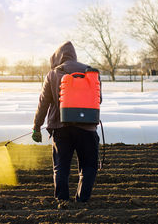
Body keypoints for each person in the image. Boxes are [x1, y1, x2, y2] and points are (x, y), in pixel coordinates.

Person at [32, 41, 100, 208]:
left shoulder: (53, 74)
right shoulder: (90, 72)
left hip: (61, 129)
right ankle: (82, 200)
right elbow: (98, 99)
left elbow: (43, 103)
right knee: (88, 166)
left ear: (57, 58)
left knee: (61, 167)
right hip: (87, 128)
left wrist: (36, 127)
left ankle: (62, 201)